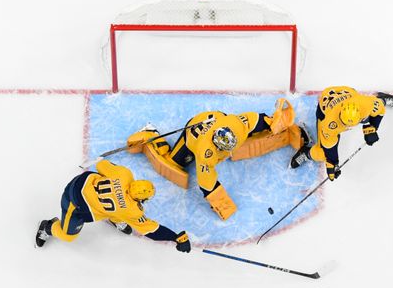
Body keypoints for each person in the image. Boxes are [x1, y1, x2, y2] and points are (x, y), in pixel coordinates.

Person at [125, 100, 310, 220]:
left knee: (254, 135)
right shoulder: (205, 154)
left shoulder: (235, 125)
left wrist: (276, 123)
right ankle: (150, 133)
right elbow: (207, 183)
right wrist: (221, 204)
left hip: (215, 119)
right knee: (176, 163)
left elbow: (257, 120)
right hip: (193, 133)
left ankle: (288, 135)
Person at [35, 159, 191, 253]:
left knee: (116, 208)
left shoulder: (124, 174)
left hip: (82, 181)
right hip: (73, 202)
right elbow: (152, 230)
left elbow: (102, 164)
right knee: (68, 236)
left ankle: (115, 218)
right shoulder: (132, 210)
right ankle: (47, 227)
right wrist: (175, 237)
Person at [290, 86, 393, 180]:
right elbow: (329, 146)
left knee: (371, 113)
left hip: (348, 93)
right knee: (322, 153)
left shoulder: (365, 104)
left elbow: (380, 110)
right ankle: (306, 153)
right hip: (325, 107)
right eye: (345, 124)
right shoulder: (330, 124)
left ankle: (382, 98)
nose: (347, 127)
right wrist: (332, 164)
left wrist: (371, 128)